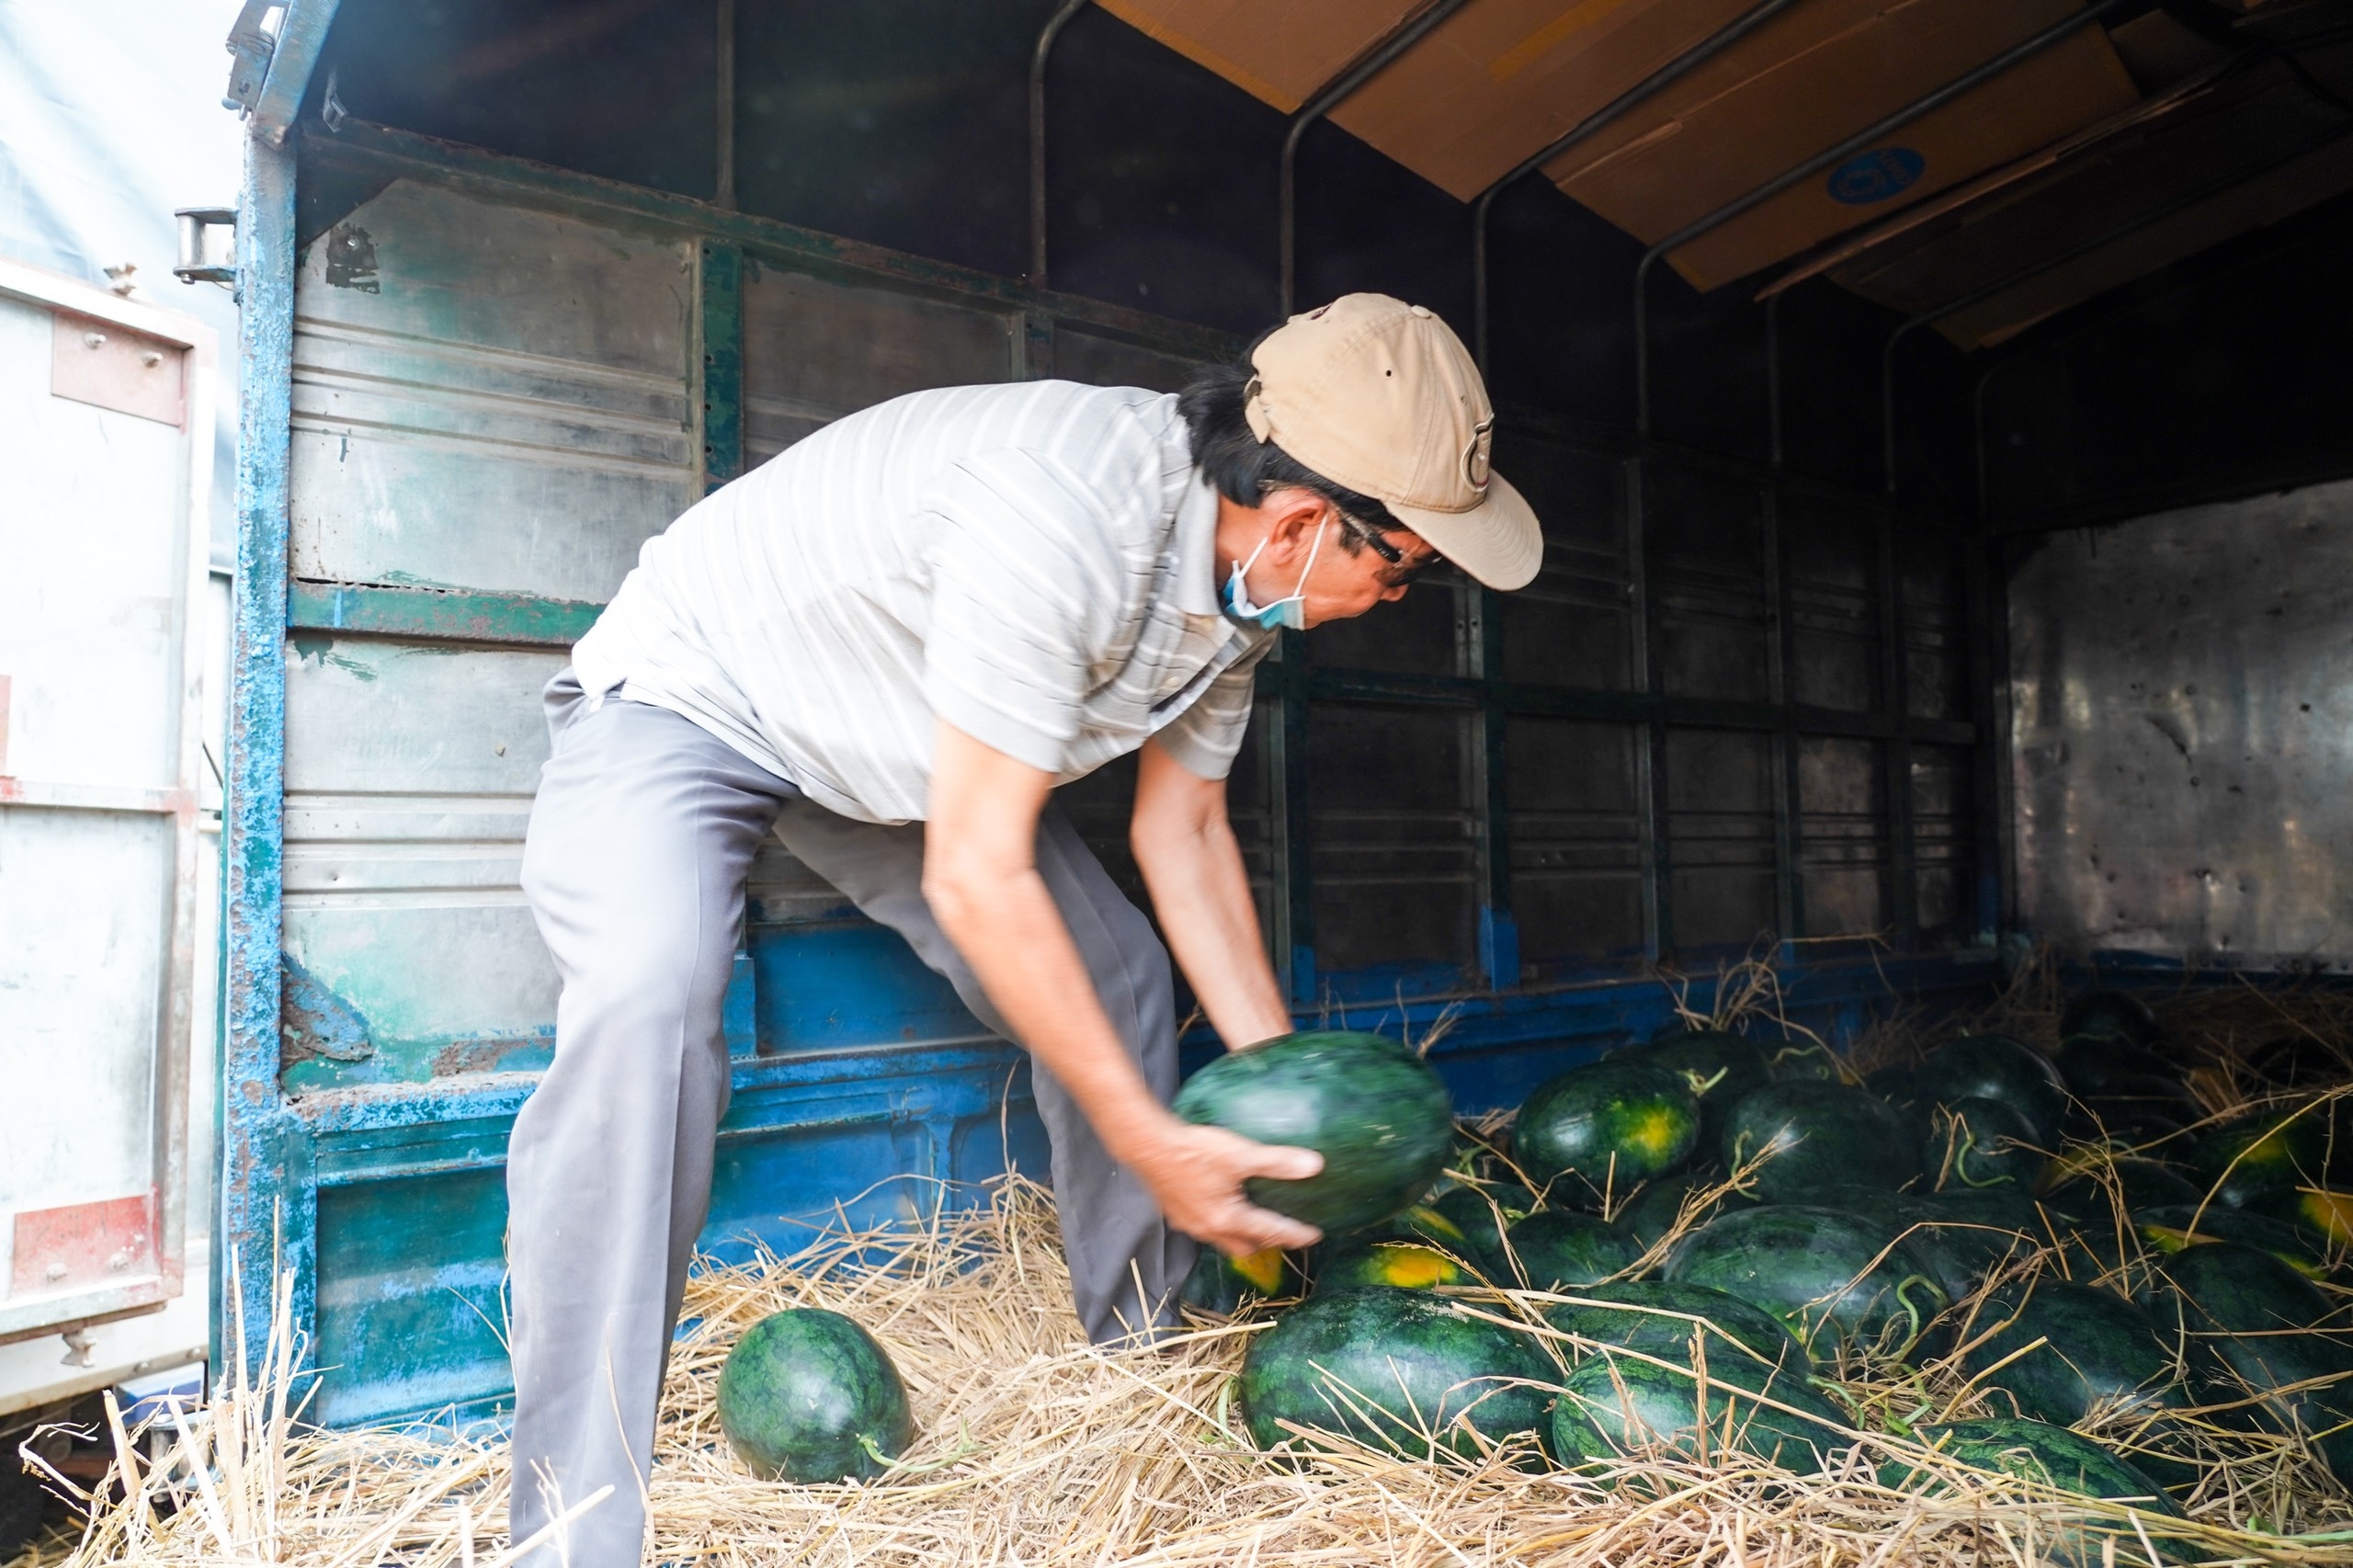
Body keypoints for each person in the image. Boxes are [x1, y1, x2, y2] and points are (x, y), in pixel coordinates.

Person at [504, 292, 1541, 1565]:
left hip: (893, 741)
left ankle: (1142, 1374)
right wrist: (1156, 1138)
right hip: (694, 694)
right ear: (1308, 523)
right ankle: (570, 1527)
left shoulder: (1241, 588)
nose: (1396, 595)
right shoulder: (1064, 519)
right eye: (1404, 568)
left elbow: (1187, 835)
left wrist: (1308, 1108)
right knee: (650, 1005)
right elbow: (978, 878)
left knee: (1116, 974)